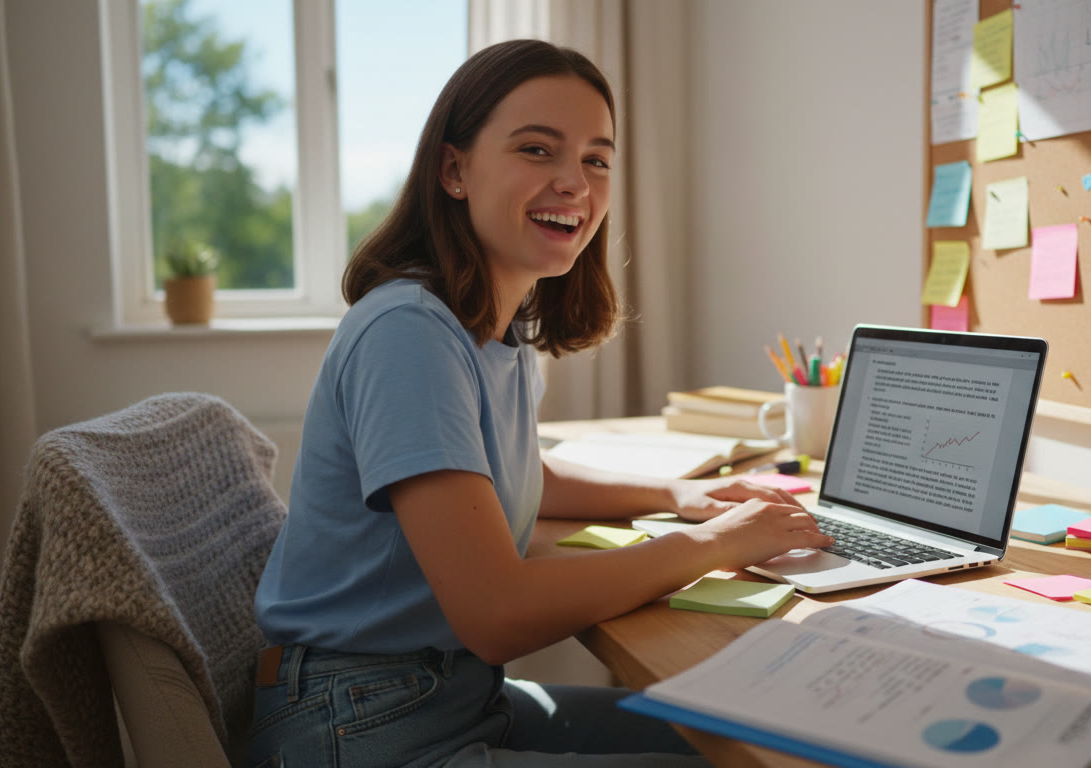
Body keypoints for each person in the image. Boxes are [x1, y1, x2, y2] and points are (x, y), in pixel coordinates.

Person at [246, 39, 833, 768]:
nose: (575, 184)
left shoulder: (496, 331)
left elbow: (509, 481)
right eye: (536, 149)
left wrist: (682, 494)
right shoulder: (408, 332)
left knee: (752, 731)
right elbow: (498, 613)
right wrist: (713, 545)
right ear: (453, 170)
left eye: (596, 159)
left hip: (445, 697)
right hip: (360, 723)